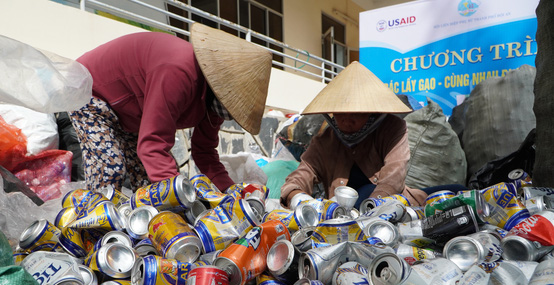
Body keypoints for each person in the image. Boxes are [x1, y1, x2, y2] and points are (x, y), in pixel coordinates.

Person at [68, 23, 272, 192]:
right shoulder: (179, 72)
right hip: (90, 90)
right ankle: (96, 232)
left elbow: (205, 152)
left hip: (131, 108)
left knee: (146, 182)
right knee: (110, 170)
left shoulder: (217, 101)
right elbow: (152, 145)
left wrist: (232, 192)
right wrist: (181, 196)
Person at [280, 61, 466, 209]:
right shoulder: (324, 141)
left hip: (387, 201)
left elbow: (394, 174)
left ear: (370, 111)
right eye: (340, 113)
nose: (346, 120)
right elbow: (302, 173)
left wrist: (374, 205)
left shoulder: (393, 128)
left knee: (459, 192)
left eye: (356, 113)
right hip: (343, 208)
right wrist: (297, 196)